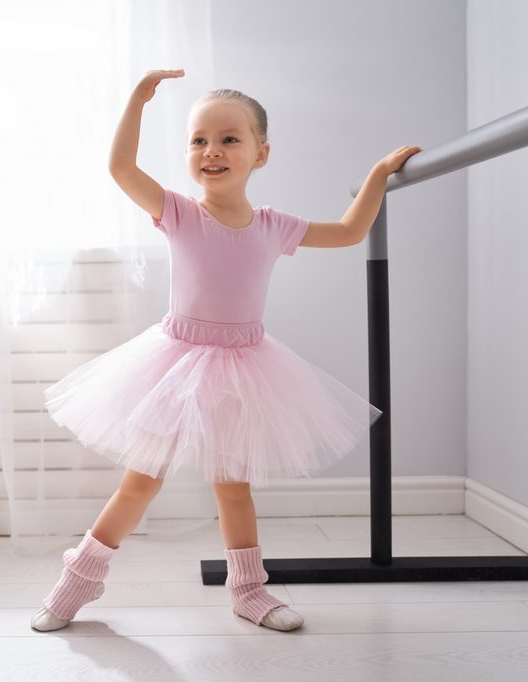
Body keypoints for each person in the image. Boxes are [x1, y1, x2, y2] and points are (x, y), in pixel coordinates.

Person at [30, 69, 422, 633]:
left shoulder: (273, 226)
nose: (211, 151)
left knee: (233, 486)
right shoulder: (179, 212)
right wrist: (137, 103)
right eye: (198, 140)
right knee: (141, 480)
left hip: (245, 367)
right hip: (175, 364)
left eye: (229, 139)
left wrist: (379, 174)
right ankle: (79, 580)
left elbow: (348, 231)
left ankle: (248, 590)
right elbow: (120, 168)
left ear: (261, 154)